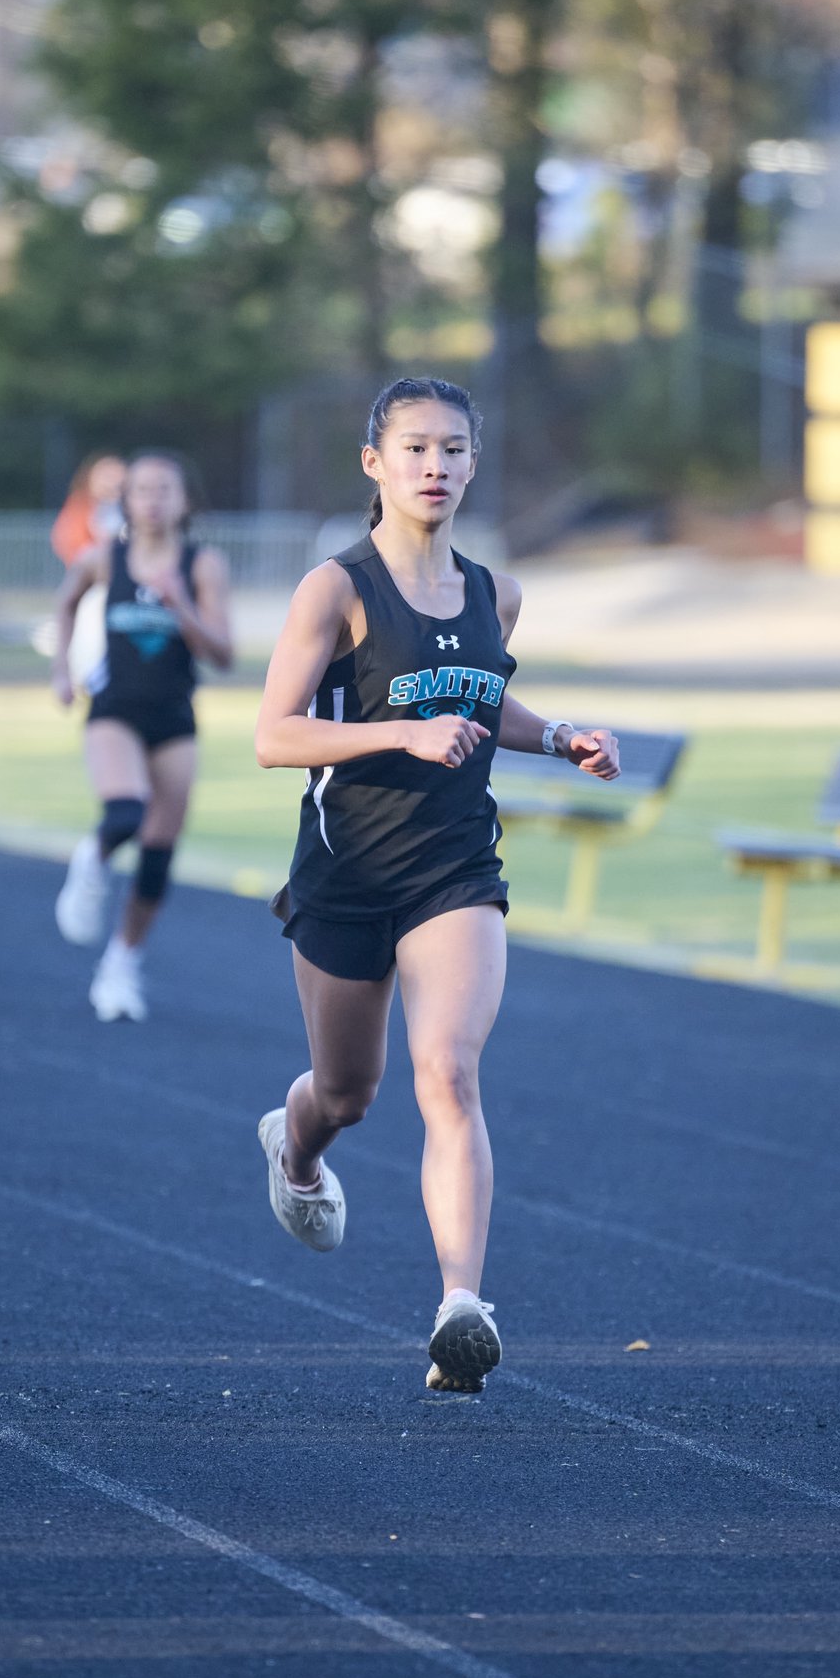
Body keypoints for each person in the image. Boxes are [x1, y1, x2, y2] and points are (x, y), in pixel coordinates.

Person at [253, 376, 618, 1394]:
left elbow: (483, 703)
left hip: (454, 870)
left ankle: (463, 1307)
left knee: (448, 1073)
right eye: (414, 447)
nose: (435, 466)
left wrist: (559, 735)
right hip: (347, 872)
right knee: (346, 1092)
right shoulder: (336, 589)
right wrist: (402, 735)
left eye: (453, 448)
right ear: (375, 463)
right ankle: (295, 1148)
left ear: (473, 462)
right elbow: (274, 734)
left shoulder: (496, 594)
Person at [50, 451, 233, 1020]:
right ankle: (92, 858)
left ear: (185, 500)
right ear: (125, 500)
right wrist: (62, 671)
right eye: (142, 490)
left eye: (164, 489)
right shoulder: (104, 558)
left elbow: (223, 655)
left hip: (174, 718)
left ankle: (121, 966)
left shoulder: (203, 564)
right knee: (125, 814)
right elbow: (65, 603)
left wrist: (181, 605)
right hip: (115, 710)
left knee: (157, 856)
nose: (153, 500)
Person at [50, 452, 127, 566]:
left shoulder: (132, 507)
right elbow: (69, 541)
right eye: (108, 476)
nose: (113, 482)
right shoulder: (79, 507)